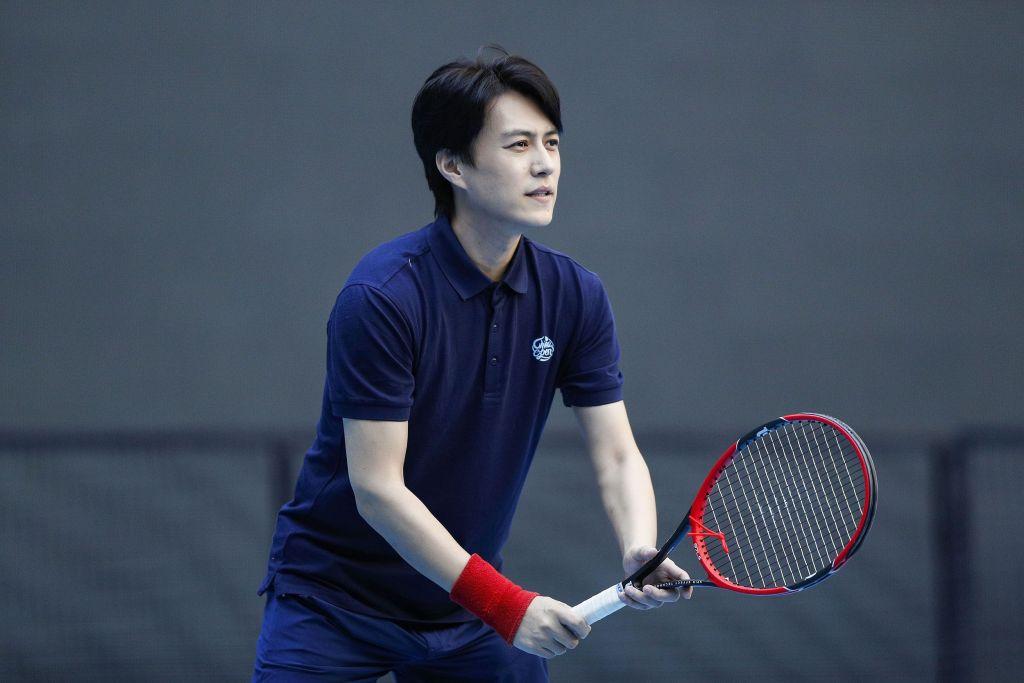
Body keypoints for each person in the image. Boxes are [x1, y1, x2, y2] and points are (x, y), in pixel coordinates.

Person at [252, 46, 692, 682]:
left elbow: (618, 454)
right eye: (518, 145)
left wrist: (639, 546)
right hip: (334, 604)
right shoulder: (382, 297)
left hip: (464, 609)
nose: (544, 164)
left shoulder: (575, 296)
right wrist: (507, 607)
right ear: (453, 164)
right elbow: (378, 490)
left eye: (552, 143)